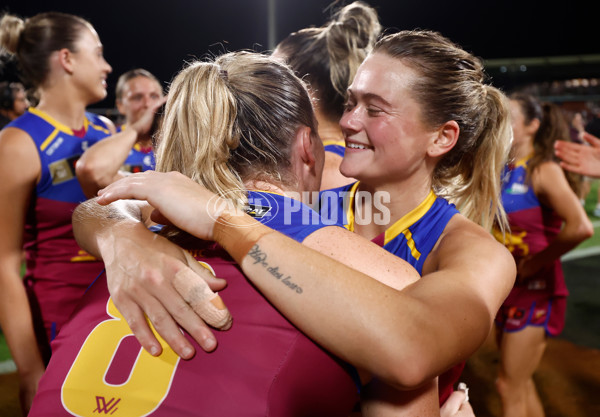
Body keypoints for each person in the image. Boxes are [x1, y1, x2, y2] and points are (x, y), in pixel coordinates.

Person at [74, 29, 516, 415]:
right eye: (350, 102)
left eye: (374, 109)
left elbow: (412, 351)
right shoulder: (294, 205)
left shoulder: (476, 254)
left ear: (442, 137)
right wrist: (120, 238)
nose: (346, 122)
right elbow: (108, 205)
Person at [0, 11, 137, 414]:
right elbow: (5, 264)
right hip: (63, 319)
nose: (107, 66)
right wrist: (29, 370)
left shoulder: (106, 132)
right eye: (97, 53)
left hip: (121, 307)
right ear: (67, 59)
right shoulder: (18, 143)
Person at [494, 93, 593, 417]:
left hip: (536, 289)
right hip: (508, 288)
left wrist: (534, 264)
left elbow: (580, 227)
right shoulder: (503, 168)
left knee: (507, 385)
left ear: (533, 125)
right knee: (520, 383)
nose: (500, 122)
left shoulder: (543, 169)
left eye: (509, 116)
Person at [272, 0, 380, 190]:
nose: (263, 92)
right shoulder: (352, 160)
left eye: (273, 80)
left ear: (304, 91)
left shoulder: (325, 169)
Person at [75, 68, 165, 198]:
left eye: (154, 96)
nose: (148, 104)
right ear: (120, 105)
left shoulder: (173, 144)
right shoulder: (107, 139)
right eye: (137, 97)